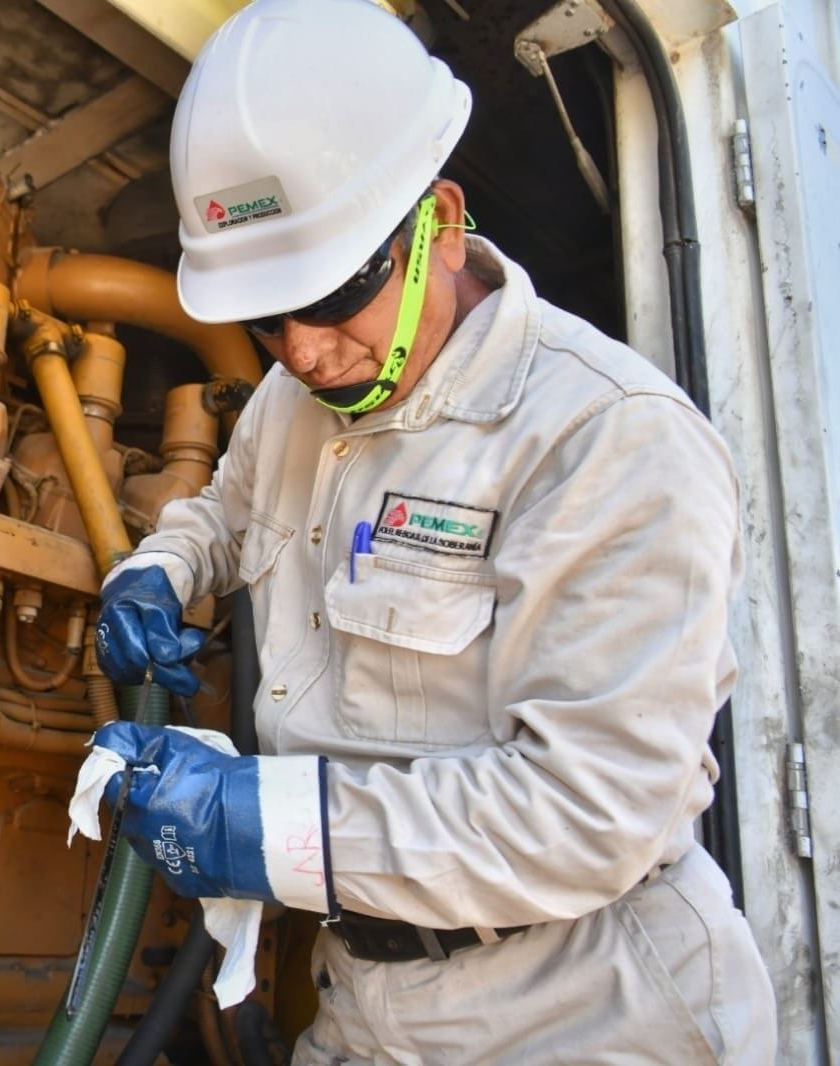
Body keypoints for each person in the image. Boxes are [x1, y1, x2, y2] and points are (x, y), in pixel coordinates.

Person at [89, 0, 778, 1061]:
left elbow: (587, 807)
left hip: (584, 1009)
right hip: (365, 996)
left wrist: (258, 822)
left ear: (442, 223)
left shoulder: (607, 439)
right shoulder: (292, 404)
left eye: (334, 295)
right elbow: (225, 510)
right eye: (266, 317)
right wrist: (157, 570)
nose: (307, 354)